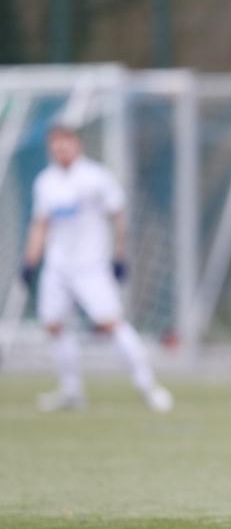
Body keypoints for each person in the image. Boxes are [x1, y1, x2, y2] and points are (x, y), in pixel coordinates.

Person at [20, 126, 173, 412]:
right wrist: (30, 261)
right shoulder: (46, 182)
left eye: (65, 145)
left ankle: (148, 386)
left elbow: (118, 216)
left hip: (91, 265)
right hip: (57, 266)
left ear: (76, 144)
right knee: (53, 325)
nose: (60, 151)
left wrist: (119, 255)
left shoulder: (96, 178)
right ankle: (71, 390)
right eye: (55, 146)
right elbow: (40, 224)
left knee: (111, 322)